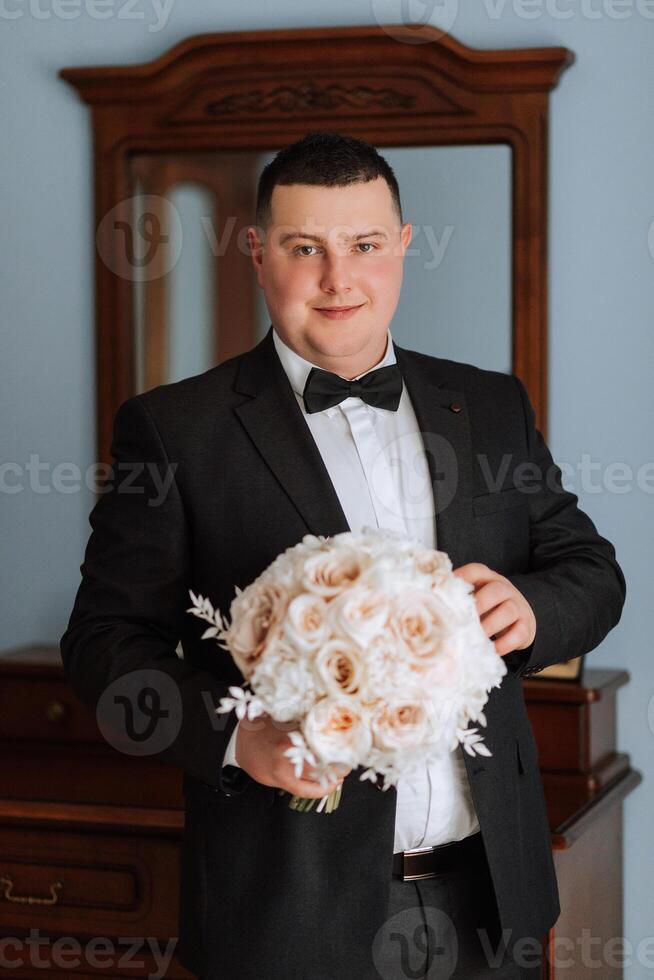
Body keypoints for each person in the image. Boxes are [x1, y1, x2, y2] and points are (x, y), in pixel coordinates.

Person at [60, 132, 626, 979]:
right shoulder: (175, 430)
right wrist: (240, 737)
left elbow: (592, 571)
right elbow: (103, 645)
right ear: (257, 254)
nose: (339, 278)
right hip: (288, 915)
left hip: (491, 901)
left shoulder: (489, 403)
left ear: (401, 246)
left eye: (364, 245)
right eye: (304, 248)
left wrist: (536, 608)